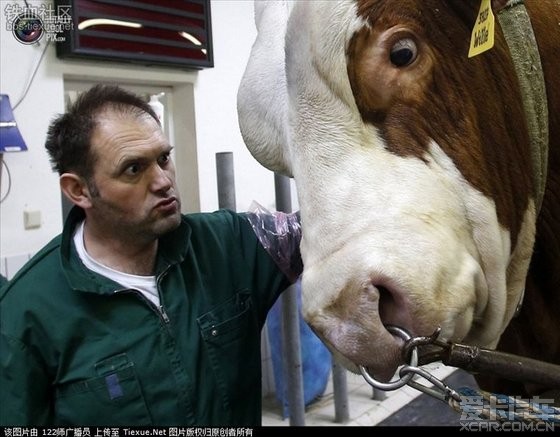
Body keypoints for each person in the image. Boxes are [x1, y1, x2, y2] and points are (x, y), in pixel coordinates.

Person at [0, 84, 302, 426]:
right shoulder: (25, 315)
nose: (162, 181)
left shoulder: (228, 245)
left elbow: (327, 230)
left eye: (163, 158)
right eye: (133, 169)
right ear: (78, 190)